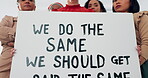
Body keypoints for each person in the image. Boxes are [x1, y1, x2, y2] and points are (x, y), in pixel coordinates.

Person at [0, 0, 36, 78]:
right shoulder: (8, 19)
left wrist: (17, 43)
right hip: (7, 64)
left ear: (35, 7)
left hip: (34, 62)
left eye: (30, 0)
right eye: (23, 0)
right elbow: (1, 32)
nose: (27, 1)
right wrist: (26, 38)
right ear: (18, 6)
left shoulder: (42, 24)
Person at [113, 0, 148, 78]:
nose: (117, 2)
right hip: (120, 66)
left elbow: (146, 42)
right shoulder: (111, 23)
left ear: (131, 2)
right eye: (114, 1)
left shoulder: (140, 17)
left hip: (142, 65)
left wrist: (134, 65)